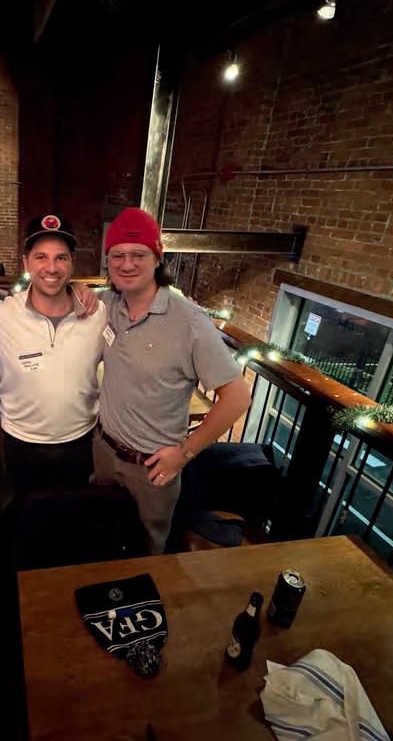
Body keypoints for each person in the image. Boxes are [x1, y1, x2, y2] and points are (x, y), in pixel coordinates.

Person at [94, 207, 252, 554]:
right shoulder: (107, 304)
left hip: (152, 468)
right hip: (102, 451)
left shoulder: (190, 321)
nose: (127, 264)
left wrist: (184, 453)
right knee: (102, 540)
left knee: (148, 551)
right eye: (117, 255)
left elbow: (238, 397)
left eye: (138, 254)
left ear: (158, 257)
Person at [0, 214, 106, 494]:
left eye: (61, 258)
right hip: (21, 443)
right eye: (41, 257)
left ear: (72, 262)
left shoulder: (98, 313)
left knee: (74, 513)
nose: (51, 267)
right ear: (26, 262)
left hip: (80, 440)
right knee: (26, 514)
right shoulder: (0, 314)